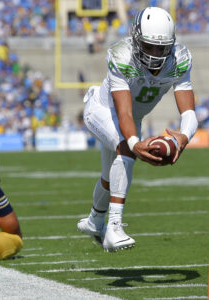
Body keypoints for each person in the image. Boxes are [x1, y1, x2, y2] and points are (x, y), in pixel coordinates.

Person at [77, 7, 198, 252]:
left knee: (110, 177)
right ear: (136, 38)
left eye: (160, 48)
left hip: (133, 118)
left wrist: (184, 137)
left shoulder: (180, 58)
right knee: (127, 150)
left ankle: (94, 221)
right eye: (149, 46)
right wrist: (134, 143)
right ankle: (113, 227)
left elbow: (189, 112)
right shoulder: (122, 55)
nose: (154, 54)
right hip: (101, 111)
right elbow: (123, 112)